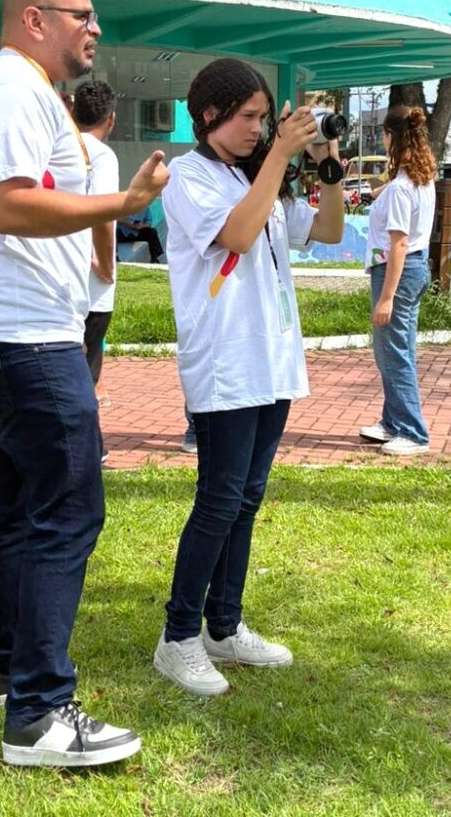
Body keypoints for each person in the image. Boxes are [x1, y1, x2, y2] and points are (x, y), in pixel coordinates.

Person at [0, 0, 169, 769]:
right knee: (67, 506)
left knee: (19, 496)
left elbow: (44, 191)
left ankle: (3, 665)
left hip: (11, 331)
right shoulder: (6, 91)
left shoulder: (34, 95)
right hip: (17, 337)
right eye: (83, 15)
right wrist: (125, 206)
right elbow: (10, 205)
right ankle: (37, 713)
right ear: (35, 19)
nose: (95, 29)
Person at [151, 58, 344, 697]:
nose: (259, 129)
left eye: (265, 119)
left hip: (271, 361)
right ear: (208, 115)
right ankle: (178, 638)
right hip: (226, 362)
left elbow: (329, 230)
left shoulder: (259, 177)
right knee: (218, 498)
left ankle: (224, 626)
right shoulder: (188, 176)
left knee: (247, 498)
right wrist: (280, 155)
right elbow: (236, 231)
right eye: (248, 117)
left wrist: (328, 164)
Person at [358, 106, 437, 457]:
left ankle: (412, 431)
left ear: (393, 138)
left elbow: (398, 244)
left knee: (393, 354)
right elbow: (388, 195)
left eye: (385, 136)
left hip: (398, 273)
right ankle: (393, 421)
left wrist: (386, 297)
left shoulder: (403, 188)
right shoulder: (418, 180)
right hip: (413, 270)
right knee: (396, 350)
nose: (383, 141)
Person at [72, 79, 119, 416]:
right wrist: (105, 264)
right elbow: (103, 216)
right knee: (87, 366)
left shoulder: (59, 148)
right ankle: (90, 447)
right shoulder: (101, 156)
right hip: (90, 277)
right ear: (111, 119)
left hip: (58, 275)